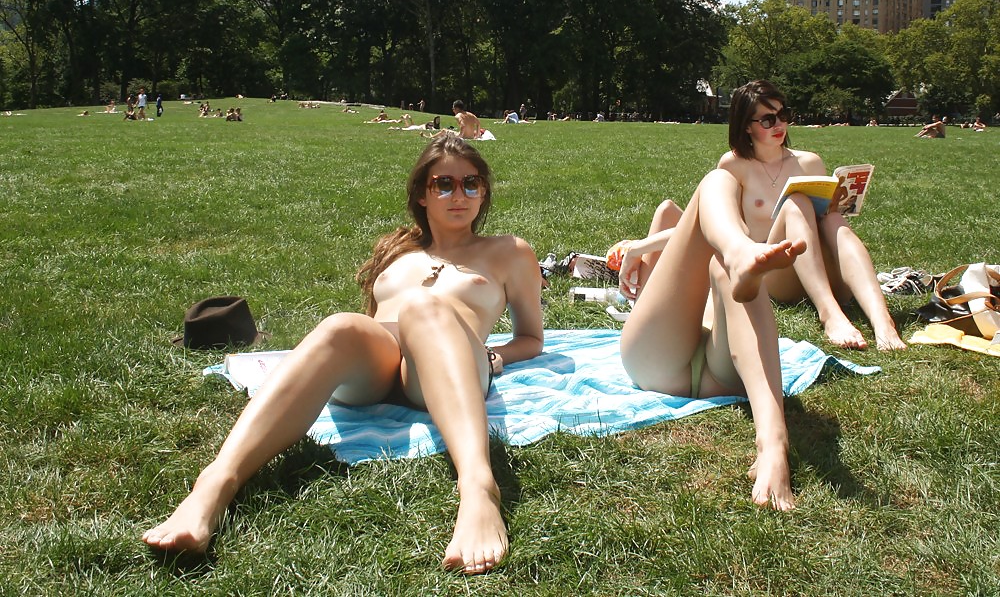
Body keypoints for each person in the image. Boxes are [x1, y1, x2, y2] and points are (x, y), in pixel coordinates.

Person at [141, 134, 545, 574]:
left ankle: (479, 487)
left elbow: (532, 338)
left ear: (484, 191)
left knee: (425, 306)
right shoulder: (398, 249)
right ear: (421, 194)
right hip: (379, 365)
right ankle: (213, 486)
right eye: (443, 183)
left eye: (471, 183)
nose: (459, 194)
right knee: (339, 325)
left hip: (447, 365)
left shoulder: (509, 251)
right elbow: (372, 321)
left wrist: (495, 356)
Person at [620, 168, 807, 510]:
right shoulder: (682, 221)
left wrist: (640, 248)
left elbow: (704, 224)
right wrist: (645, 245)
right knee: (715, 187)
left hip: (662, 362)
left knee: (718, 196)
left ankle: (774, 441)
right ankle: (772, 438)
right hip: (720, 368)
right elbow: (697, 225)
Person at [718, 80, 905, 350]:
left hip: (823, 270)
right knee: (796, 203)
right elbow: (723, 226)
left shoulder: (809, 161)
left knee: (833, 218)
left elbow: (825, 220)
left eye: (783, 115)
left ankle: (882, 321)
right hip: (776, 275)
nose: (779, 125)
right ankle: (830, 315)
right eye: (768, 120)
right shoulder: (734, 164)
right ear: (746, 125)